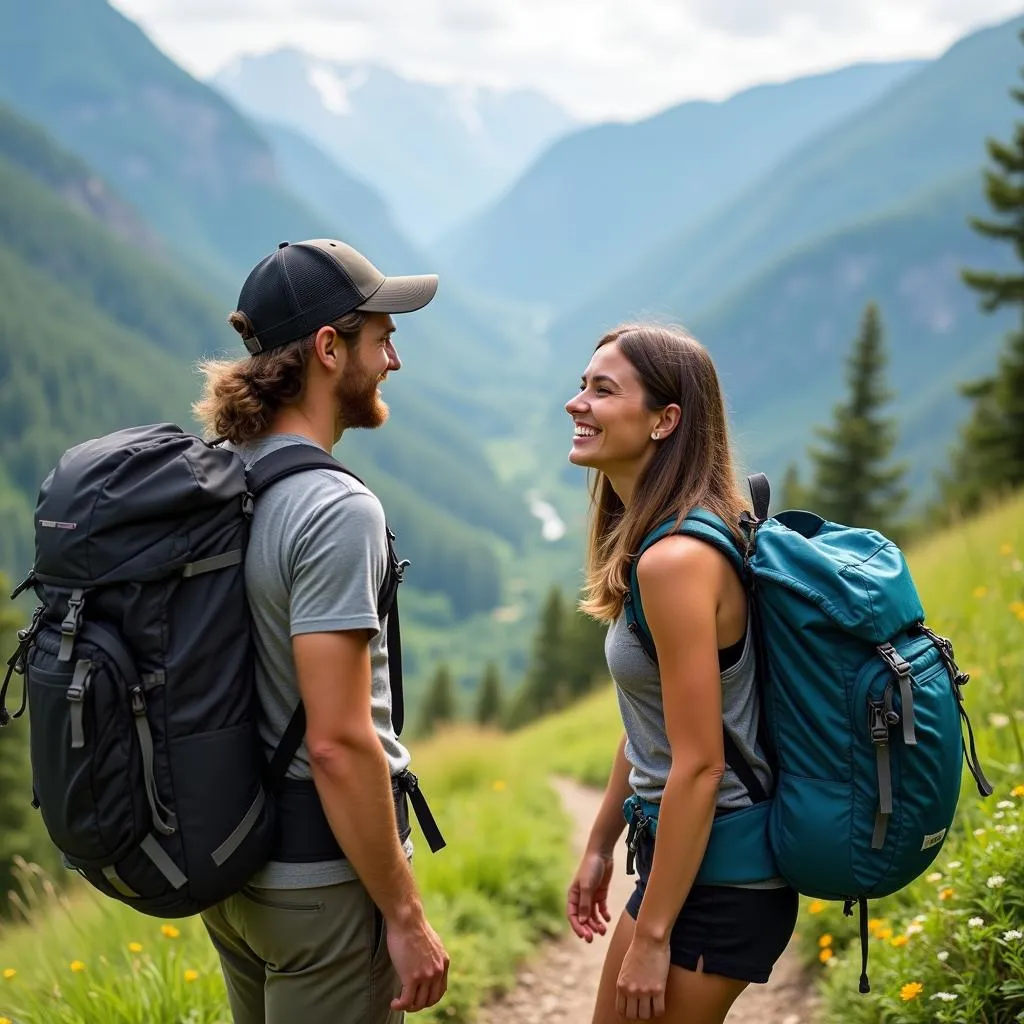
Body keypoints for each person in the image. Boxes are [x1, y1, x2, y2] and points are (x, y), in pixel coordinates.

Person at [192, 238, 450, 1024]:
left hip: (233, 870)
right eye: (382, 336)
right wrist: (404, 918)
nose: (394, 360)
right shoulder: (334, 510)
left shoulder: (218, 475)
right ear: (330, 349)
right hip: (321, 885)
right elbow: (338, 743)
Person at [563, 323, 798, 1023]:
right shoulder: (662, 540)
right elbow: (651, 726)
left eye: (603, 390)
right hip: (688, 860)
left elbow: (699, 764)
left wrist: (654, 935)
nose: (577, 403)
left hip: (720, 874)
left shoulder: (674, 561)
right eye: (582, 385)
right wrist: (601, 843)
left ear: (666, 420)